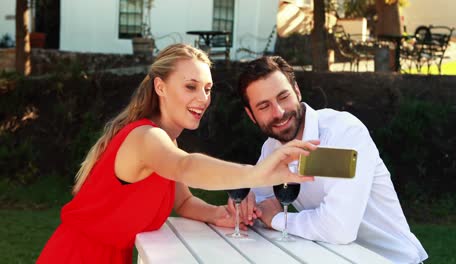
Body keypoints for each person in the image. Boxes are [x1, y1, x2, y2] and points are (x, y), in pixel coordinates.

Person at [36, 45, 317, 264]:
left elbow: (183, 201)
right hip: (77, 256)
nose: (203, 99)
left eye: (207, 89)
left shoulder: (164, 144)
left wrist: (218, 213)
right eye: (190, 86)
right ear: (160, 87)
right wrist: (258, 173)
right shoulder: (146, 138)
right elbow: (185, 166)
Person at [234, 56, 428, 264]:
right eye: (264, 106)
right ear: (251, 114)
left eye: (283, 97)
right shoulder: (272, 147)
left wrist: (278, 219)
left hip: (391, 259)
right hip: (334, 257)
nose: (279, 112)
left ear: (297, 91)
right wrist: (247, 200)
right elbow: (260, 202)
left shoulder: (342, 134)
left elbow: (339, 228)